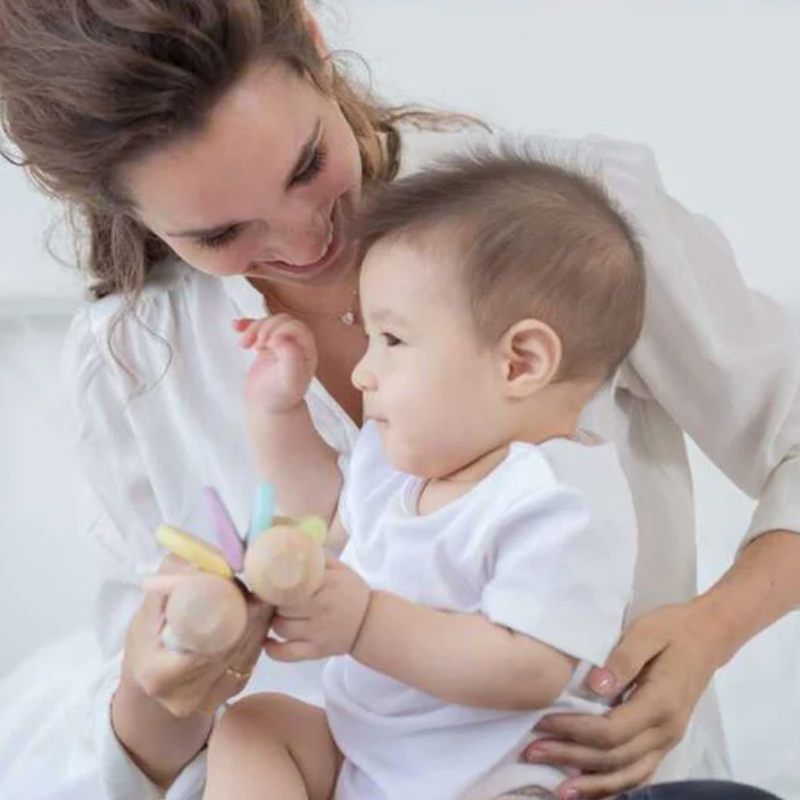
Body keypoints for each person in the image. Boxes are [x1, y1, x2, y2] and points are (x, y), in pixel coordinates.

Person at [0, 2, 796, 800]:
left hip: (561, 773)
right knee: (252, 726)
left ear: (314, 45)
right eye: (220, 233)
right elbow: (309, 526)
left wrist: (708, 632)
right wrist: (165, 675)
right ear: (125, 213)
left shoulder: (561, 234)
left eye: (307, 164)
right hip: (344, 774)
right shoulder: (130, 360)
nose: (307, 245)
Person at [204, 148, 646, 800]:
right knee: (252, 726)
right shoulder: (395, 467)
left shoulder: (558, 497)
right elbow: (315, 519)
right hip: (369, 763)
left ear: (519, 363)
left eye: (394, 339)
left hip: (500, 779)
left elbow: (529, 667)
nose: (362, 371)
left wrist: (364, 625)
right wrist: (279, 408)